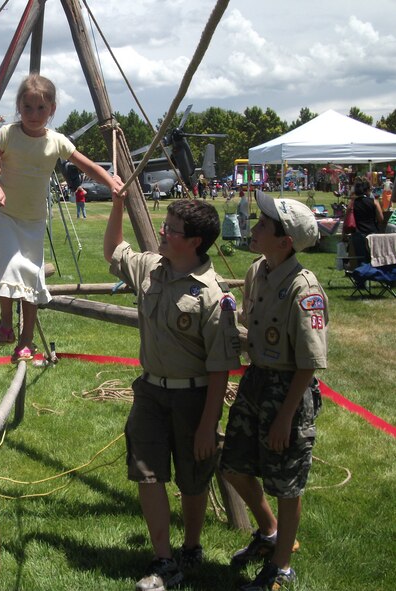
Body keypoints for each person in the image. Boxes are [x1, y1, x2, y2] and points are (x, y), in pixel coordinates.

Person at [103, 198, 241, 591]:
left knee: (193, 479)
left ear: (194, 241)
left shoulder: (214, 296)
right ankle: (163, 557)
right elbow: (114, 250)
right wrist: (117, 205)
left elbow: (219, 368)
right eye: (164, 225)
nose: (163, 231)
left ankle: (192, 546)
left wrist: (207, 426)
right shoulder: (150, 267)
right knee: (147, 473)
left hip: (194, 399)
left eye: (172, 229)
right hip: (150, 392)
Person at [220, 193, 326, 591]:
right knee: (231, 463)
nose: (255, 227)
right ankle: (268, 532)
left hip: (288, 389)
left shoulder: (305, 290)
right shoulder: (258, 271)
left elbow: (309, 361)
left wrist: (286, 415)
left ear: (285, 241)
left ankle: (281, 566)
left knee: (286, 482)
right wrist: (233, 312)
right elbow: (252, 319)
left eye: (264, 224)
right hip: (256, 379)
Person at [0, 74, 124, 361]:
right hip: (6, 214)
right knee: (9, 268)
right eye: (28, 108)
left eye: (41, 109)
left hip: (33, 219)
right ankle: (6, 321)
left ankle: (27, 339)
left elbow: (88, 165)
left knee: (32, 276)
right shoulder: (7, 134)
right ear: (19, 106)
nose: (34, 115)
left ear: (53, 109)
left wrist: (110, 181)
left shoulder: (57, 141)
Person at [347, 177, 384, 263]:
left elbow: (348, 220)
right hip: (372, 233)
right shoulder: (374, 202)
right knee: (374, 259)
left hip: (358, 233)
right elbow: (381, 219)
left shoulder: (352, 203)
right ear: (368, 189)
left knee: (361, 260)